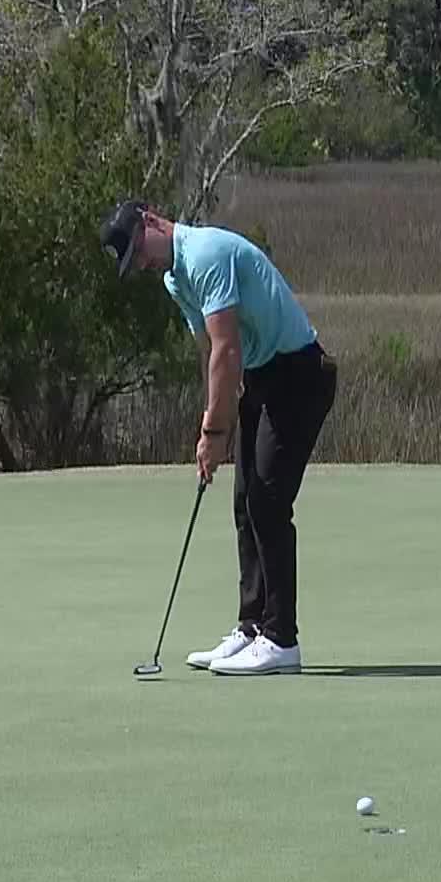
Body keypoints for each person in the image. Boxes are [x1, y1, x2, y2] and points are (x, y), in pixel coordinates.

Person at [99, 199, 337, 676]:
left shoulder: (204, 254)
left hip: (299, 374)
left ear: (151, 222)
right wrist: (216, 420)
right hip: (262, 378)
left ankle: (281, 639)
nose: (142, 264)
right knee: (245, 501)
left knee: (269, 501)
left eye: (139, 251)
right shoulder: (174, 279)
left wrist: (215, 430)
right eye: (133, 263)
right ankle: (252, 627)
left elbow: (227, 349)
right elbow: (211, 353)